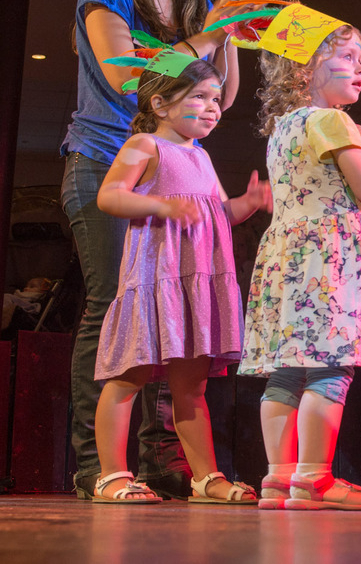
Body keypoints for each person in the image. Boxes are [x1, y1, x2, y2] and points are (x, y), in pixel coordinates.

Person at [60, 0, 278, 501]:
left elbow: (225, 97)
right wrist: (210, 31)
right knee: (115, 311)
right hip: (109, 160)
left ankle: (169, 465)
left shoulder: (194, 11)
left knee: (175, 320)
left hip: (176, 173)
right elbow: (123, 76)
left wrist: (227, 31)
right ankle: (96, 466)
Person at [234, 2, 361, 511]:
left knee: (289, 370)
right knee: (330, 366)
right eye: (348, 55)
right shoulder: (331, 120)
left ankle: (279, 478)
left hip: (292, 259)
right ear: (308, 67)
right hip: (330, 262)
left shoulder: (286, 125)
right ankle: (314, 478)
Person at [90, 46, 269, 504]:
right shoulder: (145, 146)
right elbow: (110, 196)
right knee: (127, 378)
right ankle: (111, 475)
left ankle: (204, 477)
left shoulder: (202, 156)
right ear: (160, 104)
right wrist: (159, 204)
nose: (212, 107)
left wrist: (246, 205)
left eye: (215, 99)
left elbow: (212, 215)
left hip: (197, 284)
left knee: (192, 388)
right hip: (156, 280)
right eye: (200, 97)